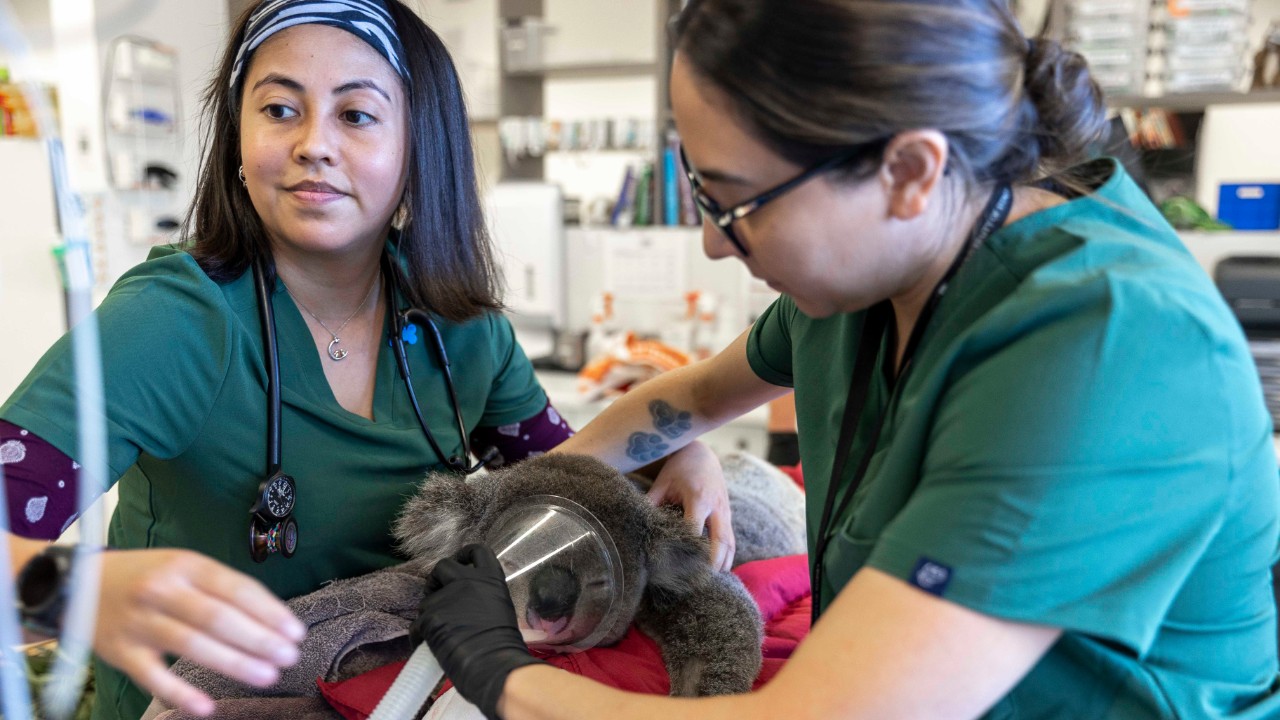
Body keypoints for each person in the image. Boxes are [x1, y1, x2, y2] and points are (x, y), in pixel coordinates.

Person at [411, 1, 1280, 719]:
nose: (714, 243)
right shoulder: (878, 275)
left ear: (908, 171)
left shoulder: (1106, 346)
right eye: (699, 188)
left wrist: (504, 675)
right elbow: (695, 396)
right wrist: (519, 503)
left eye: (738, 202)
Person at [1, 2, 731, 718]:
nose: (313, 143)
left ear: (420, 145)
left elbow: (559, 479)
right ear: (236, 139)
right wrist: (72, 589)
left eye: (356, 115)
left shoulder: (458, 323)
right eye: (280, 110)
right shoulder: (171, 323)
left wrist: (674, 447)